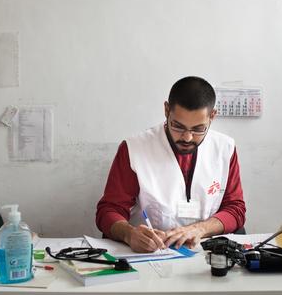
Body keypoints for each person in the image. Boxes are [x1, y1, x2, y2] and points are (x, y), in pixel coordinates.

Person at [96, 76, 245, 253]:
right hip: (150, 254)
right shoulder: (134, 149)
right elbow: (108, 211)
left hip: (204, 252)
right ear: (166, 110)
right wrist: (129, 234)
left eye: (198, 129)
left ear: (212, 116)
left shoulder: (224, 148)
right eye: (178, 126)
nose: (187, 137)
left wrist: (201, 229)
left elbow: (235, 208)